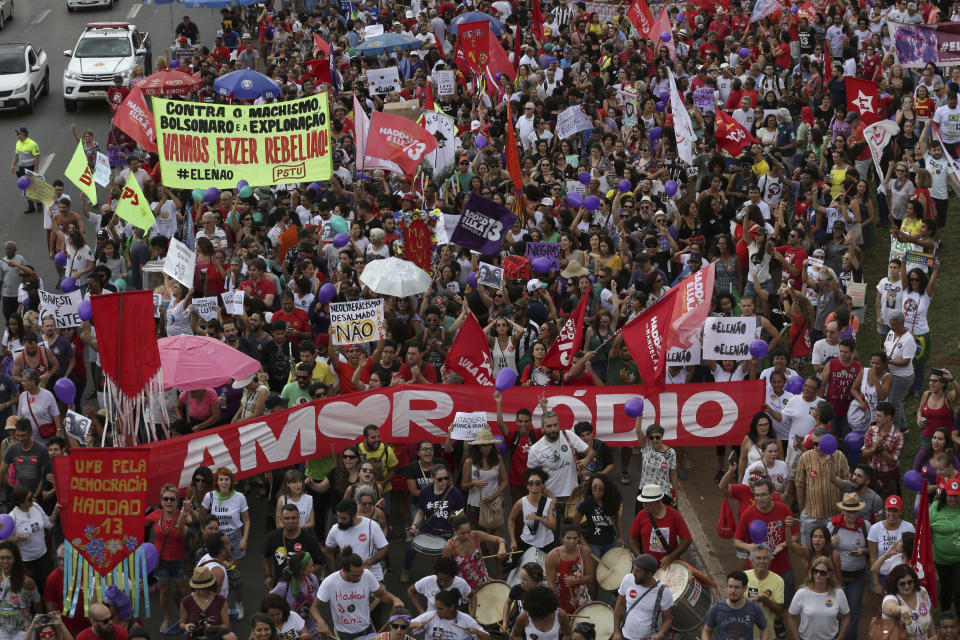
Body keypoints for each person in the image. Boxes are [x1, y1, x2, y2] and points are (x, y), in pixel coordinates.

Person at [311, 547, 403, 640]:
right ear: (344, 570)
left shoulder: (367, 575)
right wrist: (321, 621)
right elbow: (314, 607)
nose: (359, 578)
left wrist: (394, 599)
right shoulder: (329, 582)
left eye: (361, 573)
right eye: (355, 575)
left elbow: (382, 594)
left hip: (367, 628)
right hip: (344, 634)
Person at [199, 468, 248, 617]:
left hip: (233, 539)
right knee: (215, 573)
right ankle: (221, 605)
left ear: (231, 481)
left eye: (226, 479)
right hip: (215, 539)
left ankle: (238, 604)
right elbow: (202, 517)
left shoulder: (239, 497)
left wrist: (244, 538)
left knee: (233, 574)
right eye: (221, 479)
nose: (224, 482)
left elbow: (247, 520)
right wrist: (205, 533)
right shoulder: (210, 496)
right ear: (217, 482)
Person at [527, 400, 593, 510]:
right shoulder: (535, 449)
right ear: (542, 427)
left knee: (573, 527)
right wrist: (550, 496)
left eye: (555, 425)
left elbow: (591, 452)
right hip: (548, 497)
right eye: (549, 426)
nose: (553, 429)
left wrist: (587, 460)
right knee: (552, 527)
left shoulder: (568, 435)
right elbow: (532, 479)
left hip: (573, 495)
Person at [404, 464, 464, 581]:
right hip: (432, 533)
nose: (444, 482)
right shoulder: (425, 491)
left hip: (450, 533)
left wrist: (454, 518)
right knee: (435, 564)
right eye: (440, 479)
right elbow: (420, 512)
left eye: (446, 478)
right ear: (432, 478)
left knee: (450, 564)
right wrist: (414, 525)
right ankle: (438, 583)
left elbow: (461, 511)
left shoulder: (454, 492)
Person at [826, 494, 870, 640]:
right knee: (834, 610)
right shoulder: (832, 526)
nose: (851, 514)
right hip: (835, 577)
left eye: (854, 511)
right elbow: (819, 550)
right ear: (843, 510)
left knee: (854, 612)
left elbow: (874, 550)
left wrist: (864, 551)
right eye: (848, 511)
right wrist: (829, 544)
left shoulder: (865, 526)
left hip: (857, 577)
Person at [146, 484, 189, 634]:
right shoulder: (156, 514)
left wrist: (188, 511)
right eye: (166, 499)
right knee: (164, 592)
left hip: (179, 561)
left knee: (182, 592)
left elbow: (193, 523)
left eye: (172, 499)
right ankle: (167, 618)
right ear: (161, 501)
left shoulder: (182, 515)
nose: (169, 502)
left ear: (177, 501)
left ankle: (185, 619)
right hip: (161, 561)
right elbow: (139, 523)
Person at [262, 504, 324, 590]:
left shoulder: (308, 539)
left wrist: (306, 573)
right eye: (286, 518)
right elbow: (265, 556)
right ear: (281, 519)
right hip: (280, 584)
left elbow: (321, 562)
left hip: (302, 586)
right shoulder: (273, 537)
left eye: (293, 518)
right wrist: (268, 575)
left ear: (298, 518)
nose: (290, 521)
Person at [786, 557, 850, 640]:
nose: (818, 575)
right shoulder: (802, 593)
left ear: (829, 574)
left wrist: (840, 637)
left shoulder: (839, 593)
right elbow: (790, 617)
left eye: (822, 572)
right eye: (815, 571)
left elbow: (846, 616)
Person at [325, 498, 388, 582]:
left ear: (353, 516)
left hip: (373, 578)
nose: (339, 521)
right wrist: (334, 573)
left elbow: (385, 548)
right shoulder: (335, 529)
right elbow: (328, 551)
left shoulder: (371, 525)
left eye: (343, 518)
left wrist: (371, 562)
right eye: (338, 517)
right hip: (347, 578)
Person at [612, 554, 673, 640]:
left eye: (638, 571)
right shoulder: (627, 580)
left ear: (649, 574)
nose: (634, 574)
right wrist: (617, 631)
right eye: (634, 569)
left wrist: (660, 634)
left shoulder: (663, 591)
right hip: (625, 635)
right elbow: (620, 606)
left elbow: (668, 619)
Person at [629, 484, 692, 568]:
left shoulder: (674, 515)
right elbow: (633, 538)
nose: (643, 505)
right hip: (649, 567)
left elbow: (687, 540)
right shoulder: (641, 515)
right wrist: (640, 558)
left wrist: (671, 557)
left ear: (656, 502)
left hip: (670, 566)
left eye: (646, 503)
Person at [7, 488, 55, 593]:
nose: (33, 499)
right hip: (25, 561)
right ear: (21, 503)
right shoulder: (12, 517)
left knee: (46, 586)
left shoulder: (36, 506)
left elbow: (48, 524)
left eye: (32, 496)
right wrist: (17, 538)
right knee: (33, 589)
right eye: (29, 498)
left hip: (43, 555)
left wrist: (56, 510)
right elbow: (5, 540)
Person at [442, 513, 505, 591]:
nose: (467, 536)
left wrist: (502, 547)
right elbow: (445, 569)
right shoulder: (449, 547)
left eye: (468, 532)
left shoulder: (476, 536)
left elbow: (500, 539)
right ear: (455, 531)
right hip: (462, 587)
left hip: (481, 580)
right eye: (463, 533)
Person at [701, 570, 768, 640]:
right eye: (730, 586)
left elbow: (764, 628)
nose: (732, 591)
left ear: (745, 589)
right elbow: (706, 630)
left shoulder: (754, 608)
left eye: (737, 587)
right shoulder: (717, 608)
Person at [269, 551, 319, 640]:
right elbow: (268, 603)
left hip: (313, 628)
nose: (313, 568)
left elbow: (316, 602)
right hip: (294, 631)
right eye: (310, 566)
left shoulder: (312, 579)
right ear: (301, 570)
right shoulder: (284, 586)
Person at [545, 522, 592, 614]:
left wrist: (576, 581)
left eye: (575, 538)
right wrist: (555, 605)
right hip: (560, 600)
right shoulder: (553, 556)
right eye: (568, 538)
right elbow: (550, 583)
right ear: (562, 538)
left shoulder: (584, 552)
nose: (572, 541)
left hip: (580, 598)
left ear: (579, 538)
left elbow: (590, 577)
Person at [506, 467, 556, 556]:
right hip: (527, 542)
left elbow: (553, 526)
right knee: (515, 567)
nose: (534, 485)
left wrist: (538, 518)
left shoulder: (550, 503)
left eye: (537, 483)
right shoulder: (521, 503)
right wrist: (513, 540)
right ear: (527, 485)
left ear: (542, 485)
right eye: (531, 483)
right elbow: (511, 520)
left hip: (547, 544)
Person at [575, 472, 624, 558]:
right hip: (593, 544)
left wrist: (621, 537)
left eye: (601, 488)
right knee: (594, 568)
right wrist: (585, 544)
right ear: (590, 487)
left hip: (611, 542)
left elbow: (617, 518)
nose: (597, 491)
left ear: (606, 488)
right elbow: (574, 525)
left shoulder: (611, 501)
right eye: (594, 488)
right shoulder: (585, 503)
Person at [930, 478, 960, 615]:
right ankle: (946, 618)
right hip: (941, 560)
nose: (953, 499)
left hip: (958, 560)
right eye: (951, 495)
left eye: (957, 496)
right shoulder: (935, 508)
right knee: (945, 590)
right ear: (945, 495)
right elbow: (925, 532)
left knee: (958, 591)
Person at [410, 588, 488, 640]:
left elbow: (487, 638)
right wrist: (416, 624)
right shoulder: (431, 616)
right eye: (436, 608)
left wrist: (477, 632)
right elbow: (404, 624)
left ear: (451, 607)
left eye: (441, 609)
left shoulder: (466, 620)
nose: (437, 611)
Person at [881, 564, 933, 640]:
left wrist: (933, 635)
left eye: (910, 582)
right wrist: (900, 609)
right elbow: (889, 609)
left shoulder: (922, 592)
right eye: (902, 584)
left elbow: (930, 617)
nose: (907, 586)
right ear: (895, 584)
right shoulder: (891, 597)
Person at [0, 541, 39, 640]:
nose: (5, 561)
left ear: (15, 559)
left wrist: (38, 625)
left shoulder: (26, 581)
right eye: (1, 558)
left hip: (23, 630)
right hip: (2, 630)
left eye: (8, 558)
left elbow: (37, 602)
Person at [744, 545, 784, 640]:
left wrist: (767, 600)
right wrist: (755, 599)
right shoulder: (743, 577)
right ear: (752, 561)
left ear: (770, 561)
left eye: (765, 558)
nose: (762, 561)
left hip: (767, 636)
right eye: (758, 558)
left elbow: (779, 610)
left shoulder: (778, 581)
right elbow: (734, 603)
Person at [407, 557, 472, 615]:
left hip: (453, 619)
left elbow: (472, 596)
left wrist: (473, 613)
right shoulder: (428, 581)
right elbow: (411, 591)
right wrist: (420, 611)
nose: (442, 583)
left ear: (453, 577)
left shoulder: (461, 583)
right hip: (432, 619)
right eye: (440, 579)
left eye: (446, 580)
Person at [178, 567, 228, 638]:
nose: (199, 591)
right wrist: (185, 626)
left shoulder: (220, 601)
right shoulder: (186, 601)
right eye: (197, 588)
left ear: (210, 586)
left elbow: (227, 626)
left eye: (203, 588)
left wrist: (213, 628)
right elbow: (181, 624)